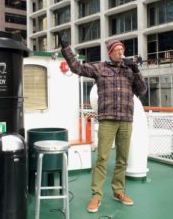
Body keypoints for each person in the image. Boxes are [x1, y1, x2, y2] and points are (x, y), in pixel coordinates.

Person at [59, 32, 147, 213]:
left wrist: (137, 70)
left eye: (122, 49)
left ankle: (118, 191)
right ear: (110, 53)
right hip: (107, 120)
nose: (121, 52)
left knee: (122, 159)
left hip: (126, 120)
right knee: (102, 158)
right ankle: (96, 196)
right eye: (117, 50)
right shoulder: (100, 68)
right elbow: (77, 68)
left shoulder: (130, 71)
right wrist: (66, 48)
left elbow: (143, 90)